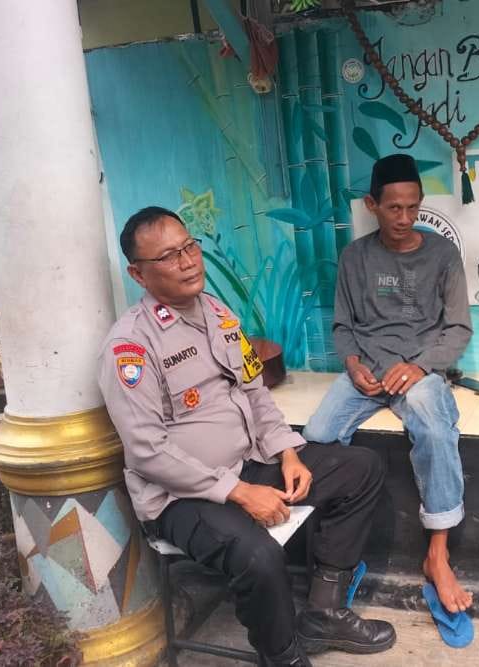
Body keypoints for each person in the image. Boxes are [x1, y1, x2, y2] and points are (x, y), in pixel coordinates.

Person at [98, 207, 396, 667]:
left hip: (247, 463)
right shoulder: (131, 347)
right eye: (169, 256)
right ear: (138, 273)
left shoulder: (219, 314)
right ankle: (282, 656)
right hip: (180, 499)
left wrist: (288, 452)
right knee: (257, 556)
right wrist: (238, 492)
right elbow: (146, 452)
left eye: (190, 247)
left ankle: (325, 612)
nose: (188, 261)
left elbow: (254, 391)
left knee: (360, 468)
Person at [302, 154, 474, 616]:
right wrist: (352, 363)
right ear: (371, 204)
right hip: (367, 370)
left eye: (413, 207)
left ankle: (437, 554)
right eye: (394, 207)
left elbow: (458, 329)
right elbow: (343, 326)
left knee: (434, 429)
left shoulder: (442, 254)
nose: (404, 218)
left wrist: (420, 366)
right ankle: (336, 553)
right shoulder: (355, 257)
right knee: (317, 437)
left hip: (419, 371)